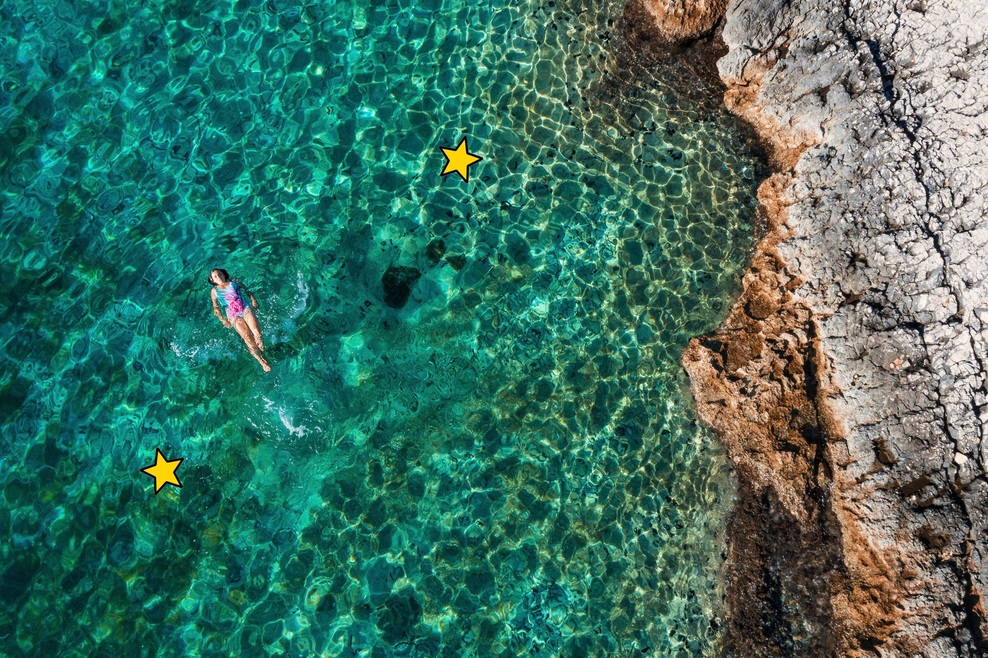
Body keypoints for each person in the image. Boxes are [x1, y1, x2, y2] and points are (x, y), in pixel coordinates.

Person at [208, 268, 271, 372]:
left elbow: (247, 291)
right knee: (248, 338)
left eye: (219, 274)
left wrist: (253, 300)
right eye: (215, 276)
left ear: (223, 274)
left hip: (245, 308)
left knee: (257, 333)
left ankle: (262, 351)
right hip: (233, 316)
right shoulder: (214, 291)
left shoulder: (234, 282)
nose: (218, 277)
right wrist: (222, 319)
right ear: (212, 280)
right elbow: (216, 308)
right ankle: (262, 361)